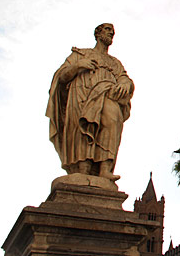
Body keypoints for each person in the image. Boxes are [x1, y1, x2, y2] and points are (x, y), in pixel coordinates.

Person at [46, 23, 134, 181]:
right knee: (82, 129)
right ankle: (83, 169)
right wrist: (78, 66)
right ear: (98, 34)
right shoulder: (80, 54)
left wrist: (126, 83)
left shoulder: (115, 62)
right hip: (81, 96)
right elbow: (62, 76)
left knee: (112, 121)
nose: (111, 33)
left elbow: (124, 77)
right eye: (107, 30)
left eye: (113, 31)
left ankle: (105, 168)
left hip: (107, 94)